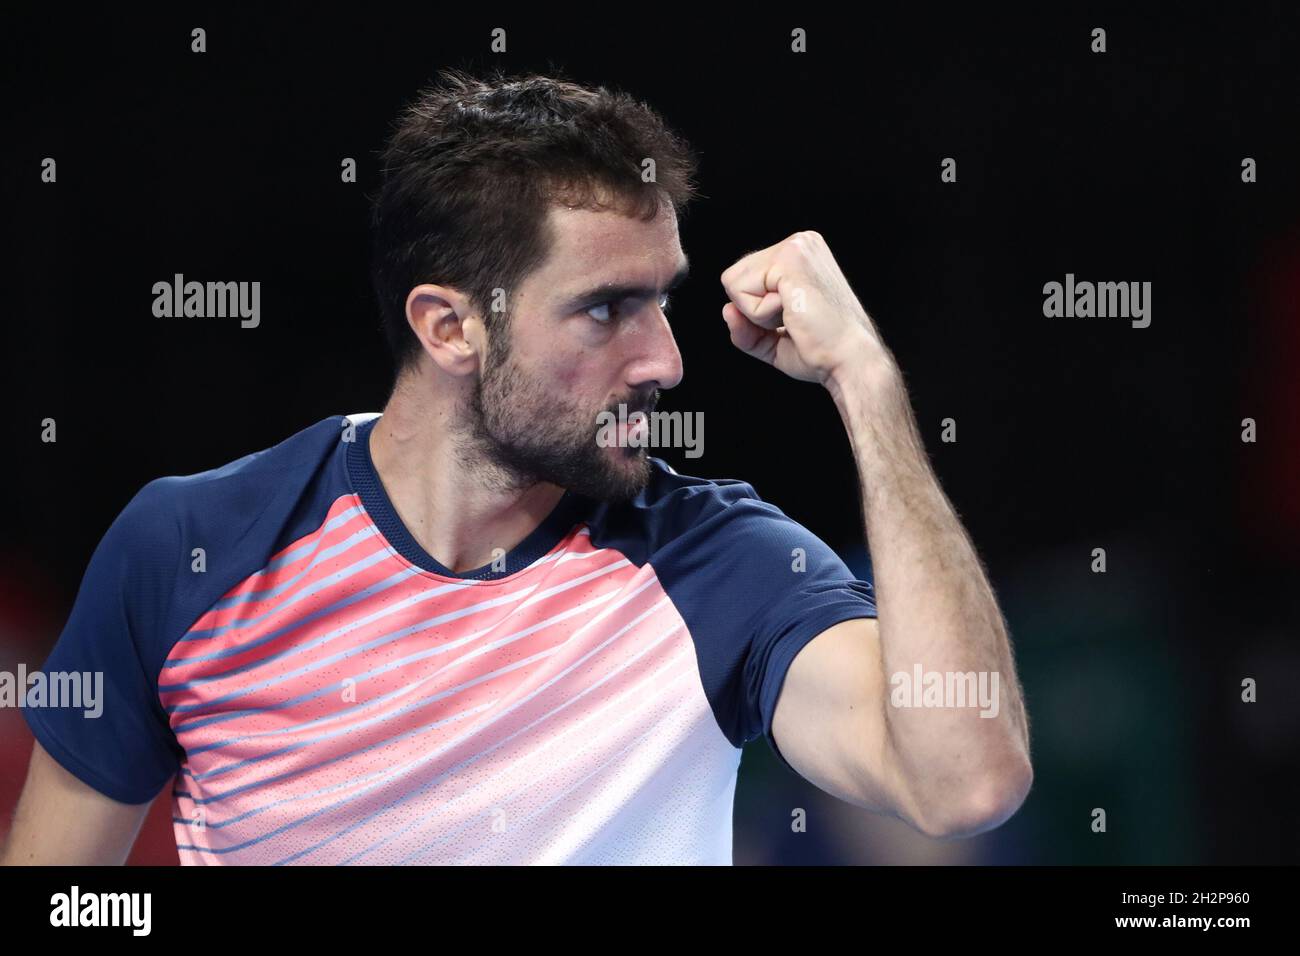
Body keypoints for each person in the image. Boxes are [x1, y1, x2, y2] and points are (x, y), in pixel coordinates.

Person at [1, 68, 1031, 865]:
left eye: (662, 299)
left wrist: (867, 381)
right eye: (604, 308)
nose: (665, 359)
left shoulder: (720, 565)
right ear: (450, 326)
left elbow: (965, 780)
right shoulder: (187, 548)